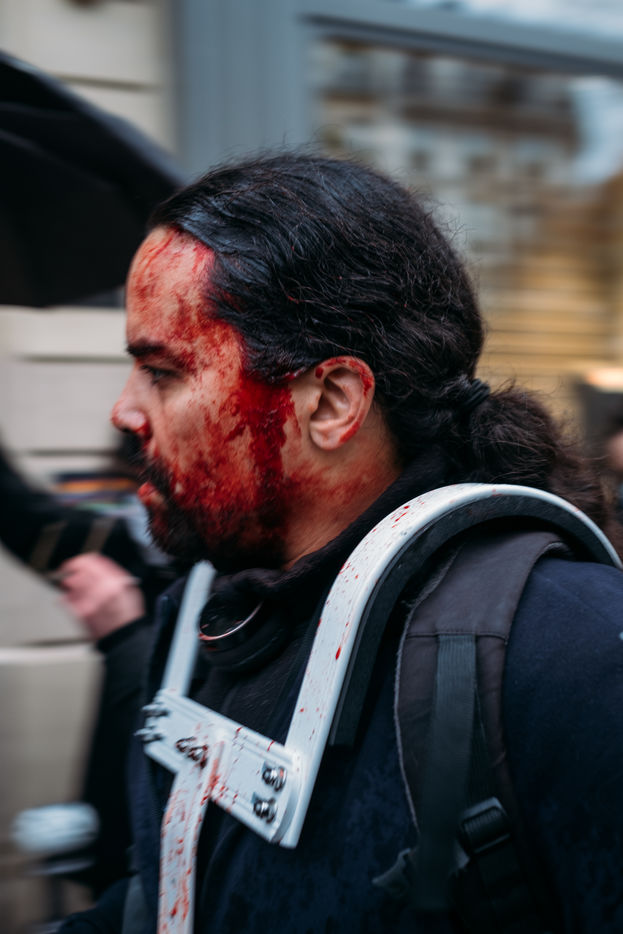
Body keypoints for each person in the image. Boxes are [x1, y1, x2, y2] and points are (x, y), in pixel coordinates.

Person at [60, 152, 623, 933]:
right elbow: (162, 892)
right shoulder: (202, 613)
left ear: (329, 402)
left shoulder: (571, 654)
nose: (123, 412)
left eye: (162, 371)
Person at [0, 441, 179, 894]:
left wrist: (125, 637)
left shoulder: (242, 565)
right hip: (119, 842)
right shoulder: (130, 537)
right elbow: (32, 526)